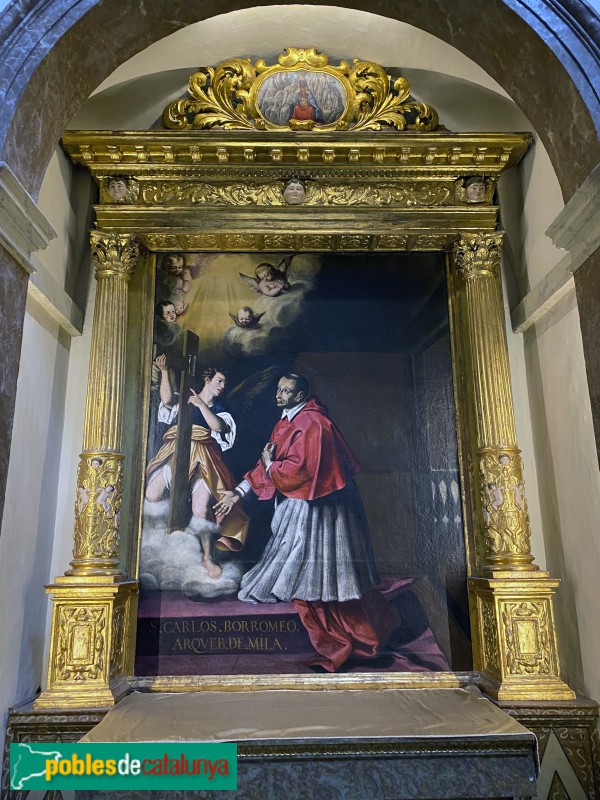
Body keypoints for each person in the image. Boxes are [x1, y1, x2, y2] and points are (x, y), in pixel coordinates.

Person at [214, 373, 398, 670]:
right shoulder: (286, 421)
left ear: (300, 396)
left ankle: (334, 618)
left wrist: (270, 466)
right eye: (278, 389)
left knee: (318, 565)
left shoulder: (313, 423)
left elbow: (299, 471)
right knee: (295, 555)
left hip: (324, 505)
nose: (279, 394)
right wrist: (238, 492)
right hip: (302, 499)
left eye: (286, 391)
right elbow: (268, 463)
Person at [145, 357, 248, 578]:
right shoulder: (185, 398)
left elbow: (218, 427)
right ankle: (162, 547)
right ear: (207, 380)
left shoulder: (219, 407)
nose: (222, 386)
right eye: (219, 381)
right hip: (176, 452)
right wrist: (164, 370)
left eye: (224, 383)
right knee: (152, 494)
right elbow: (167, 400)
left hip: (204, 458)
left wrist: (201, 405)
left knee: (200, 510)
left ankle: (207, 558)